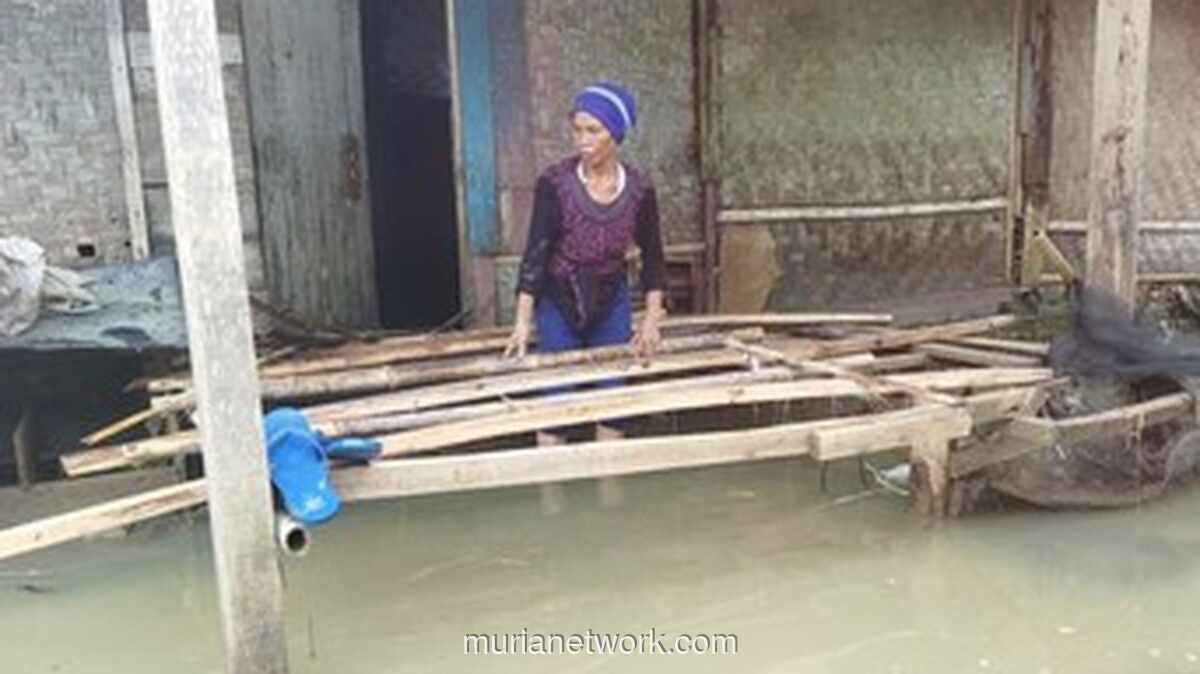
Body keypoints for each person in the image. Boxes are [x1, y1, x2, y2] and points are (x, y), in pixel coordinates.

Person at [505, 81, 668, 450]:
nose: (582, 140)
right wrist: (521, 322)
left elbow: (653, 256)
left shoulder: (640, 189)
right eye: (577, 130)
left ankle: (608, 499)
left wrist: (652, 319)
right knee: (556, 396)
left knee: (612, 398)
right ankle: (551, 499)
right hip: (559, 299)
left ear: (616, 134)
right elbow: (536, 254)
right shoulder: (554, 183)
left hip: (611, 297)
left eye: (593, 131)